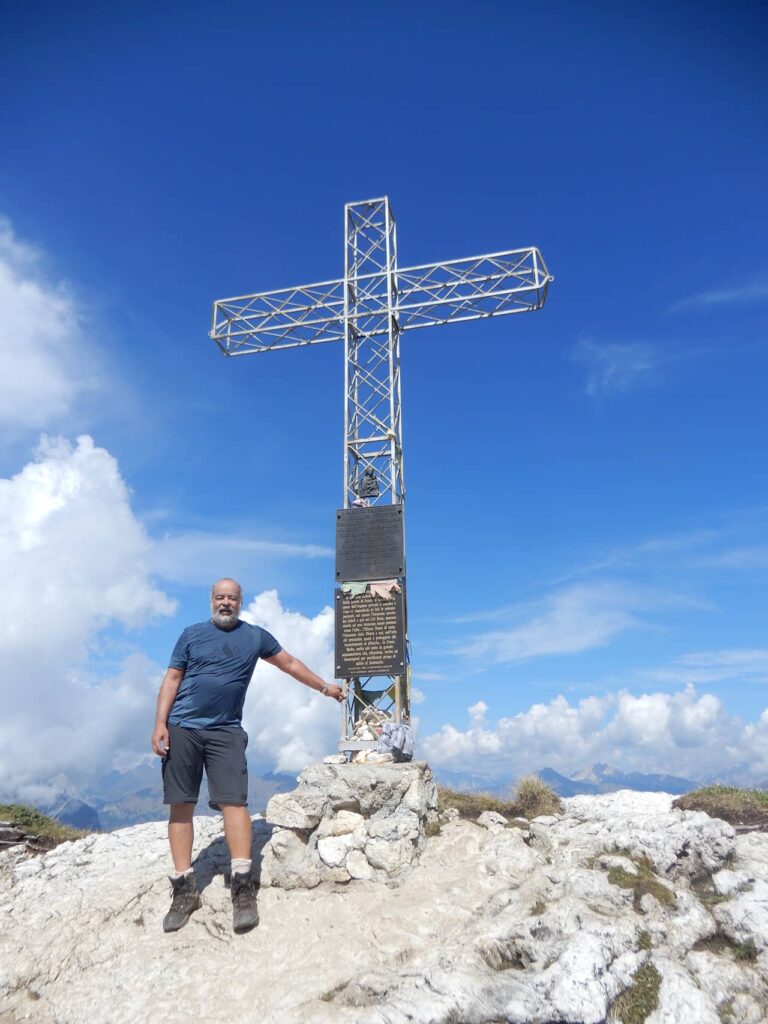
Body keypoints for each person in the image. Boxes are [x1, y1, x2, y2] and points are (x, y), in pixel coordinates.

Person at [150, 578, 343, 934]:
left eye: (232, 598)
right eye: (220, 597)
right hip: (182, 728)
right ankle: (183, 889)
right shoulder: (191, 634)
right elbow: (172, 677)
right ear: (211, 600)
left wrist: (325, 688)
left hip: (226, 731)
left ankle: (242, 886)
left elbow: (288, 662)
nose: (226, 603)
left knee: (234, 803)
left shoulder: (255, 636)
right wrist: (160, 723)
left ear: (241, 602)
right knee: (180, 804)